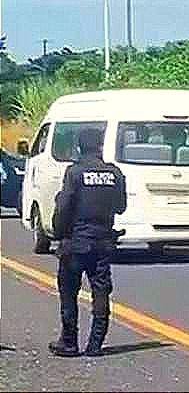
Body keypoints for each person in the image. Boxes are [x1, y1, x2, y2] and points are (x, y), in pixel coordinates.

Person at [48, 128, 127, 357]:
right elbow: (121, 207)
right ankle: (95, 344)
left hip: (76, 242)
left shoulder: (75, 172)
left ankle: (69, 342)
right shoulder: (115, 173)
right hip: (102, 241)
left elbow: (64, 207)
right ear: (100, 146)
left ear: (80, 147)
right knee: (100, 291)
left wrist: (59, 233)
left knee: (69, 292)